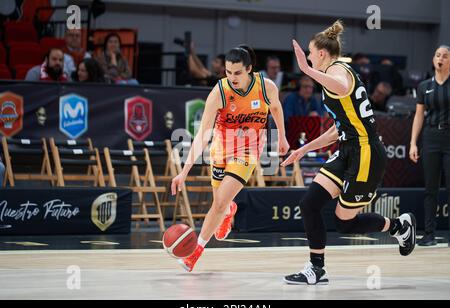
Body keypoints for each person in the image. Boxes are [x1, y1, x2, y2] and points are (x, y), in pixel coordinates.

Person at [281, 20, 416, 285]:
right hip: (347, 149)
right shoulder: (332, 75)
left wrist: (307, 70)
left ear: (321, 54)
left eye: (310, 53)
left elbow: (342, 87)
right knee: (309, 204)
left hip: (366, 152)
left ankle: (399, 226)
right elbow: (336, 130)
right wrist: (303, 150)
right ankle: (316, 269)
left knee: (345, 222)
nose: (308, 57)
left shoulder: (339, 71)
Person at [171, 45, 290, 272]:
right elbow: (203, 134)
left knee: (217, 203)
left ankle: (195, 253)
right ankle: (229, 211)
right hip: (221, 149)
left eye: (237, 73)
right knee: (221, 204)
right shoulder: (219, 92)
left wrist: (282, 137)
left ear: (249, 70)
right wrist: (183, 172)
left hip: (248, 150)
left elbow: (275, 108)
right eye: (228, 72)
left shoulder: (267, 87)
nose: (232, 78)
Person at [409, 45, 450, 247]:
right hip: (431, 137)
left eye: (444, 56)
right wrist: (412, 143)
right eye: (437, 55)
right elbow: (418, 116)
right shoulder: (424, 86)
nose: (440, 58)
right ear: (433, 59)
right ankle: (429, 234)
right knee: (430, 189)